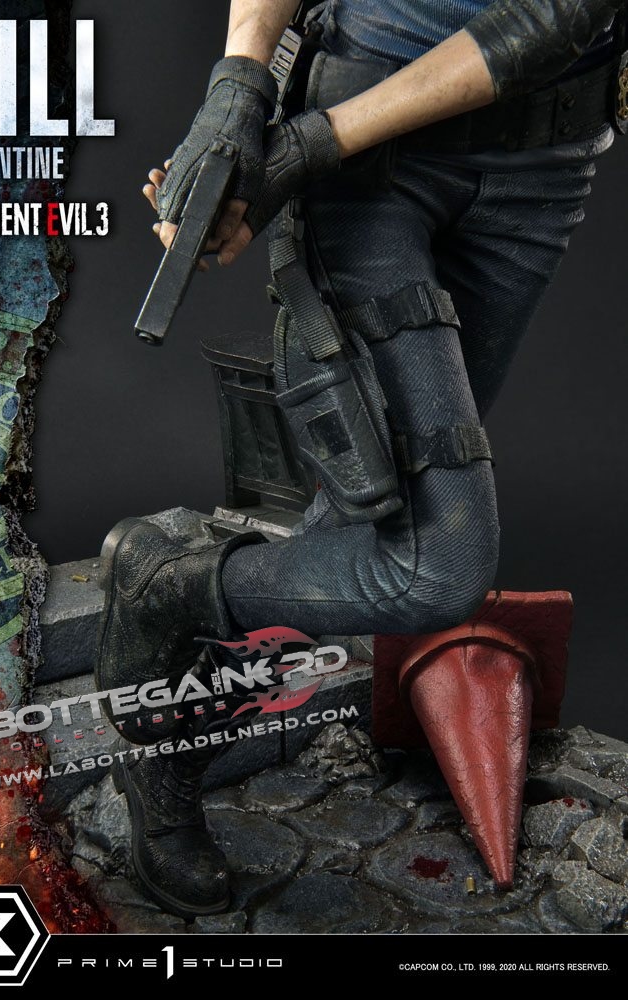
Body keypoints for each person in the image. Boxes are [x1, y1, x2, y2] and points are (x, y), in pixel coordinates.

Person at [96, 0, 627, 917]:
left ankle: (168, 718)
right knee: (432, 569)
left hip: (534, 171)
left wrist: (307, 144)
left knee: (361, 522)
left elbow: (555, 14)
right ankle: (170, 593)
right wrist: (240, 82)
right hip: (369, 169)